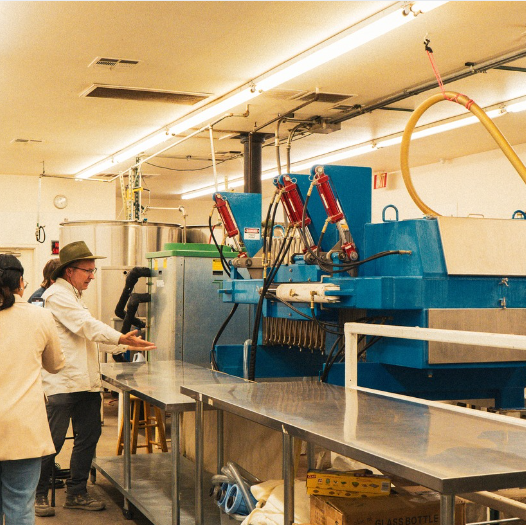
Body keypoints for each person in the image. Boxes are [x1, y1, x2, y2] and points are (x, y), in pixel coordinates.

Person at [35, 241, 156, 517]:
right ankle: (39, 494)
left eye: (94, 270)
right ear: (69, 271)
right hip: (63, 383)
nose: (92, 275)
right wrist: (118, 337)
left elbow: (87, 338)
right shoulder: (57, 295)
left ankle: (76, 493)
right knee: (51, 442)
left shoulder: (75, 296)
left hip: (86, 382)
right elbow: (86, 326)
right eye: (88, 270)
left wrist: (125, 345)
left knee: (89, 437)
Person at [0, 254, 65, 525]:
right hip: (22, 430)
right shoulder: (41, 317)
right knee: (20, 507)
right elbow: (55, 365)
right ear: (21, 284)